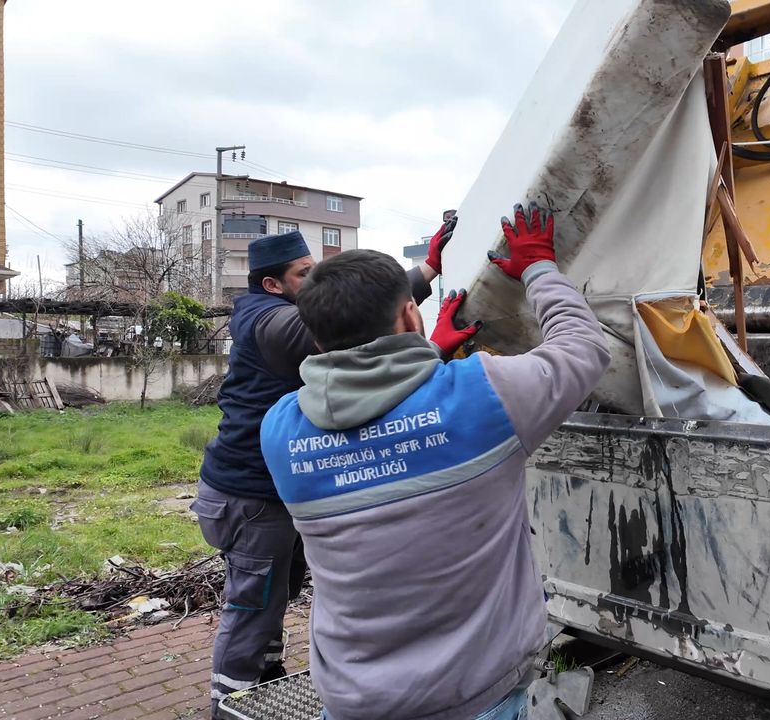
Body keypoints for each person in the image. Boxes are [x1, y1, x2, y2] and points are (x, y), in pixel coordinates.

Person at [259, 202, 610, 720]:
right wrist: (537, 265)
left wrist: (428, 355)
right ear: (409, 314)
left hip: (353, 700)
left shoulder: (281, 431)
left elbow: (379, 418)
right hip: (474, 696)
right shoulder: (486, 396)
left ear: (316, 337)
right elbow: (584, 346)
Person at [192, 219, 468, 719]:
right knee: (252, 611)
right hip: (249, 498)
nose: (316, 282)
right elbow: (343, 319)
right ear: (272, 285)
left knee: (276, 596)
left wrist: (425, 272)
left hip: (267, 493)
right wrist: (426, 343)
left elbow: (352, 312)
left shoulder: (278, 309)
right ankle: (224, 707)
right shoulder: (263, 318)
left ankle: (264, 683)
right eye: (304, 274)